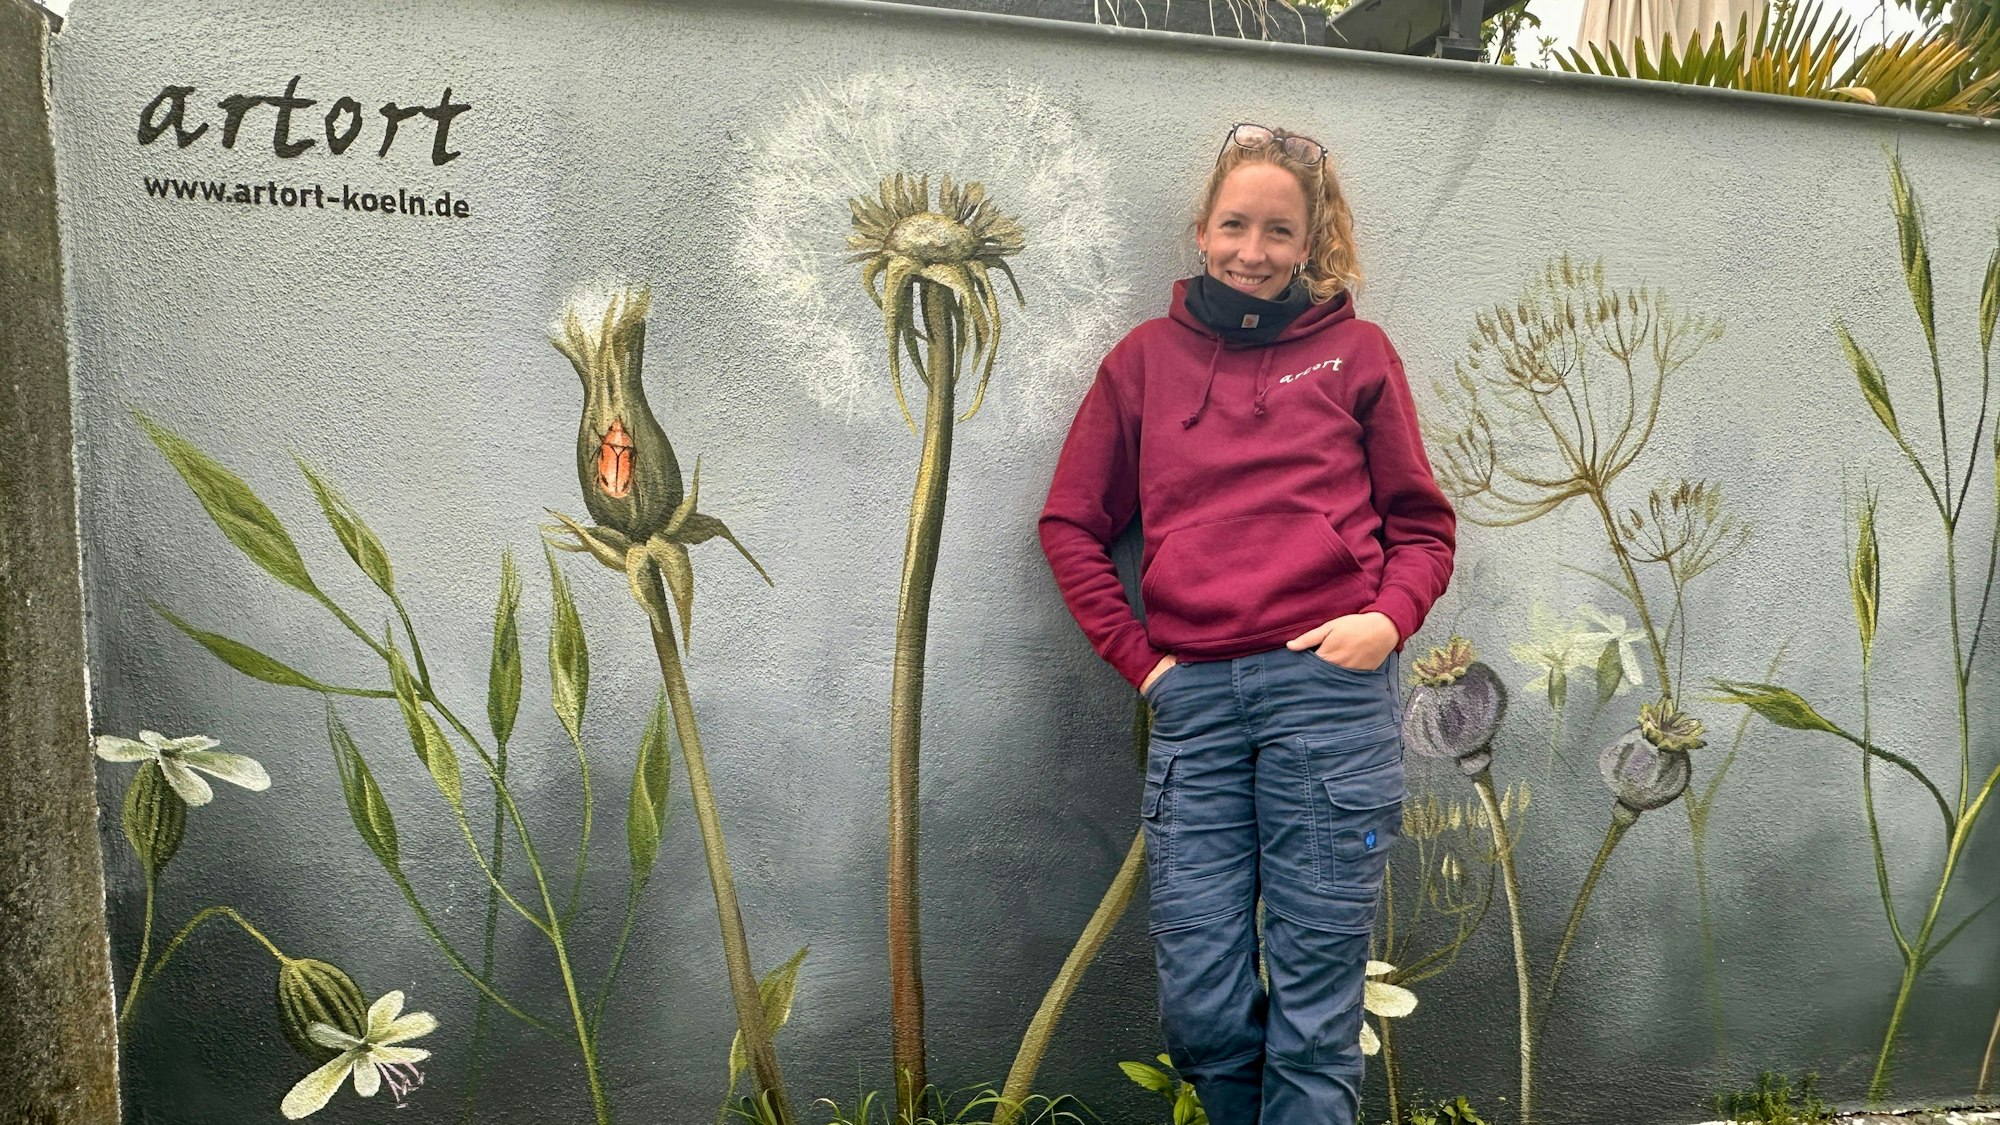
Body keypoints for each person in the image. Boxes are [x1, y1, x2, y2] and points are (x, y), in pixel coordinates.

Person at [1037, 123, 1456, 1125]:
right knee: (1203, 1004)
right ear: (1201, 229)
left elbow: (1421, 528)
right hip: (1196, 705)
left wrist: (1384, 624)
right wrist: (1144, 666)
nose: (1252, 251)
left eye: (1278, 230)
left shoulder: (1357, 355)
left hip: (1329, 698)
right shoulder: (1141, 363)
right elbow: (1069, 524)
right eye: (1234, 225)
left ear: (1309, 241)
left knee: (1315, 1005)